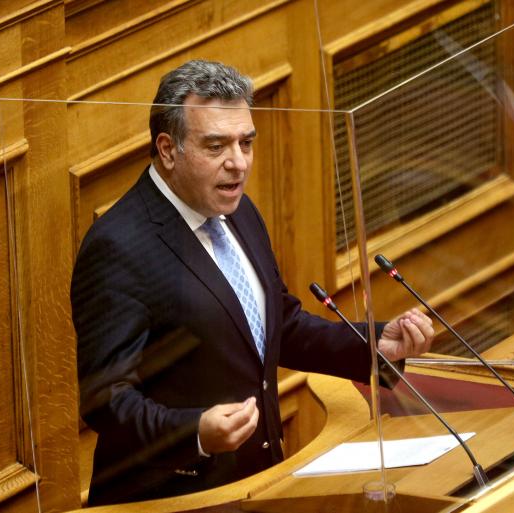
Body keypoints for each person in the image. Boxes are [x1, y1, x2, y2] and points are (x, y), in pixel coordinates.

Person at [71, 60, 434, 506]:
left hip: (254, 485)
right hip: (172, 499)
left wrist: (373, 346)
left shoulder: (237, 209)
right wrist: (195, 433)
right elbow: (106, 399)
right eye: (216, 146)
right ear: (168, 150)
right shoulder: (118, 246)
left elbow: (278, 326)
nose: (238, 163)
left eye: (246, 143)